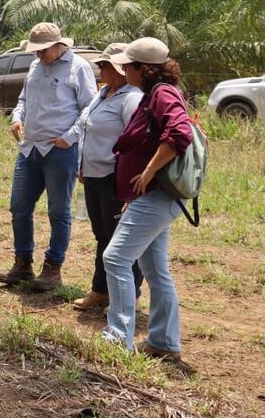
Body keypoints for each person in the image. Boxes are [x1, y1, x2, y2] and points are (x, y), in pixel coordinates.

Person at [101, 37, 193, 364]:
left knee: (115, 258)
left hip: (157, 195)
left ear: (144, 69)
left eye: (128, 65)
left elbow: (180, 133)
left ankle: (117, 338)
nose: (123, 70)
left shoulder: (162, 94)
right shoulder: (151, 95)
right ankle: (164, 342)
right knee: (154, 269)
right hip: (152, 196)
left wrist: (149, 172)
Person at [0, 22, 96, 292]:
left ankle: (53, 268)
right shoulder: (34, 66)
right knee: (19, 207)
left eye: (43, 50)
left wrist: (70, 137)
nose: (38, 55)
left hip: (60, 150)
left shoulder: (79, 67)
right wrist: (17, 118)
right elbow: (23, 100)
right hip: (30, 148)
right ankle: (22, 263)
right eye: (35, 51)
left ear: (58, 45)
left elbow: (90, 107)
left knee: (58, 211)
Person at [72, 43, 144, 310]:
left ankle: (130, 296)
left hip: (114, 177)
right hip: (93, 175)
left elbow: (134, 140)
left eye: (105, 65)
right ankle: (101, 290)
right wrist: (81, 163)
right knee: (102, 234)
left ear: (121, 70)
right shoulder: (102, 93)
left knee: (120, 238)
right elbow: (85, 128)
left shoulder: (130, 98)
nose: (100, 69)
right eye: (100, 65)